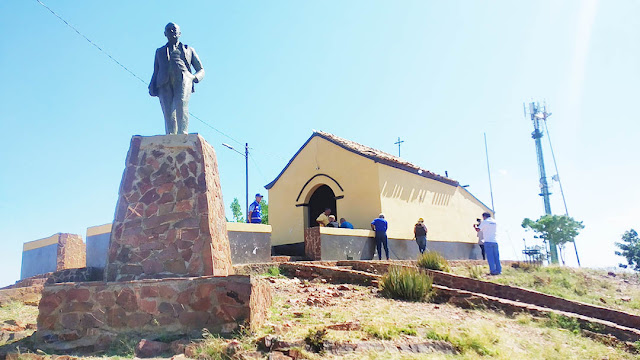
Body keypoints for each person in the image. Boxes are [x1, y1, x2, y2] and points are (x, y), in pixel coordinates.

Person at [149, 22, 205, 135]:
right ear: (165, 33)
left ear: (179, 33)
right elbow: (156, 70)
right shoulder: (159, 51)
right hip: (164, 81)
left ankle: (183, 133)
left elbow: (201, 69)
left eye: (174, 29)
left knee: (181, 103)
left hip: (184, 79)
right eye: (168, 30)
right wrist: (152, 84)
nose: (171, 32)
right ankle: (170, 135)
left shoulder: (188, 49)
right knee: (167, 109)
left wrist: (194, 77)